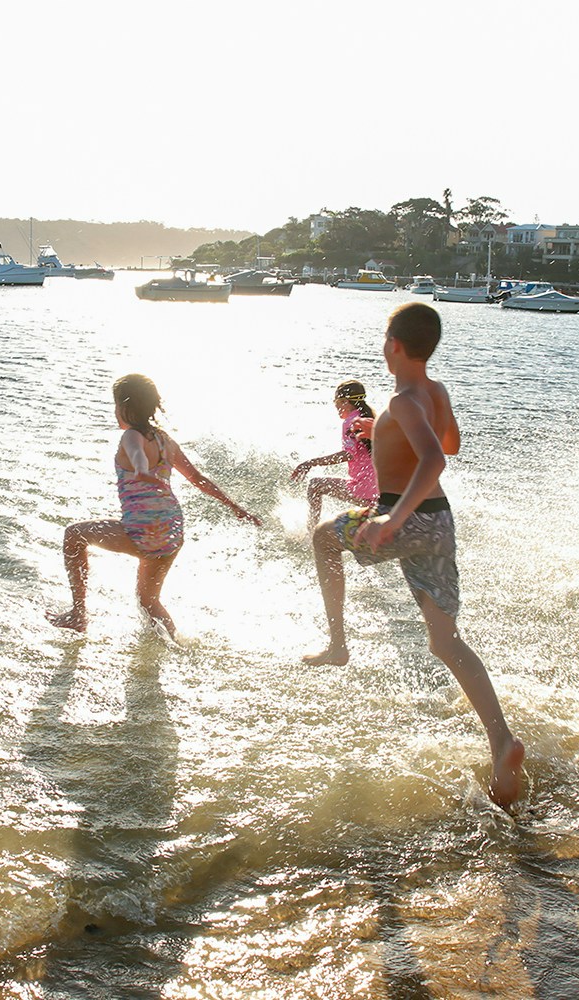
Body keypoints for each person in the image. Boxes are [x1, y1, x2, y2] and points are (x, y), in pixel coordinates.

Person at [301, 302, 525, 809]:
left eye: (385, 340)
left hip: (406, 520)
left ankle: (338, 644)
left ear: (393, 345)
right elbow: (451, 440)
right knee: (446, 642)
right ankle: (502, 744)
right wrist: (382, 432)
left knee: (321, 535)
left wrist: (392, 519)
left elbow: (436, 456)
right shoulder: (431, 393)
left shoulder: (403, 399)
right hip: (441, 524)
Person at [47, 373, 260, 637]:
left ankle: (78, 614)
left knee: (74, 535)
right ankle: (175, 645)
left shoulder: (131, 436)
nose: (114, 412)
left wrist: (141, 468)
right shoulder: (165, 440)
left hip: (143, 532)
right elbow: (197, 478)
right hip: (172, 531)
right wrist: (235, 506)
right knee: (148, 600)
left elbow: (136, 452)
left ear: (125, 406)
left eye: (115, 405)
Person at [290, 379, 379, 525]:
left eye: (335, 402)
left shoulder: (351, 422)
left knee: (315, 485)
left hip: (365, 490)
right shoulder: (369, 418)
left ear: (344, 402)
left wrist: (311, 463)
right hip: (379, 490)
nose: (335, 406)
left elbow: (348, 454)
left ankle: (312, 532)